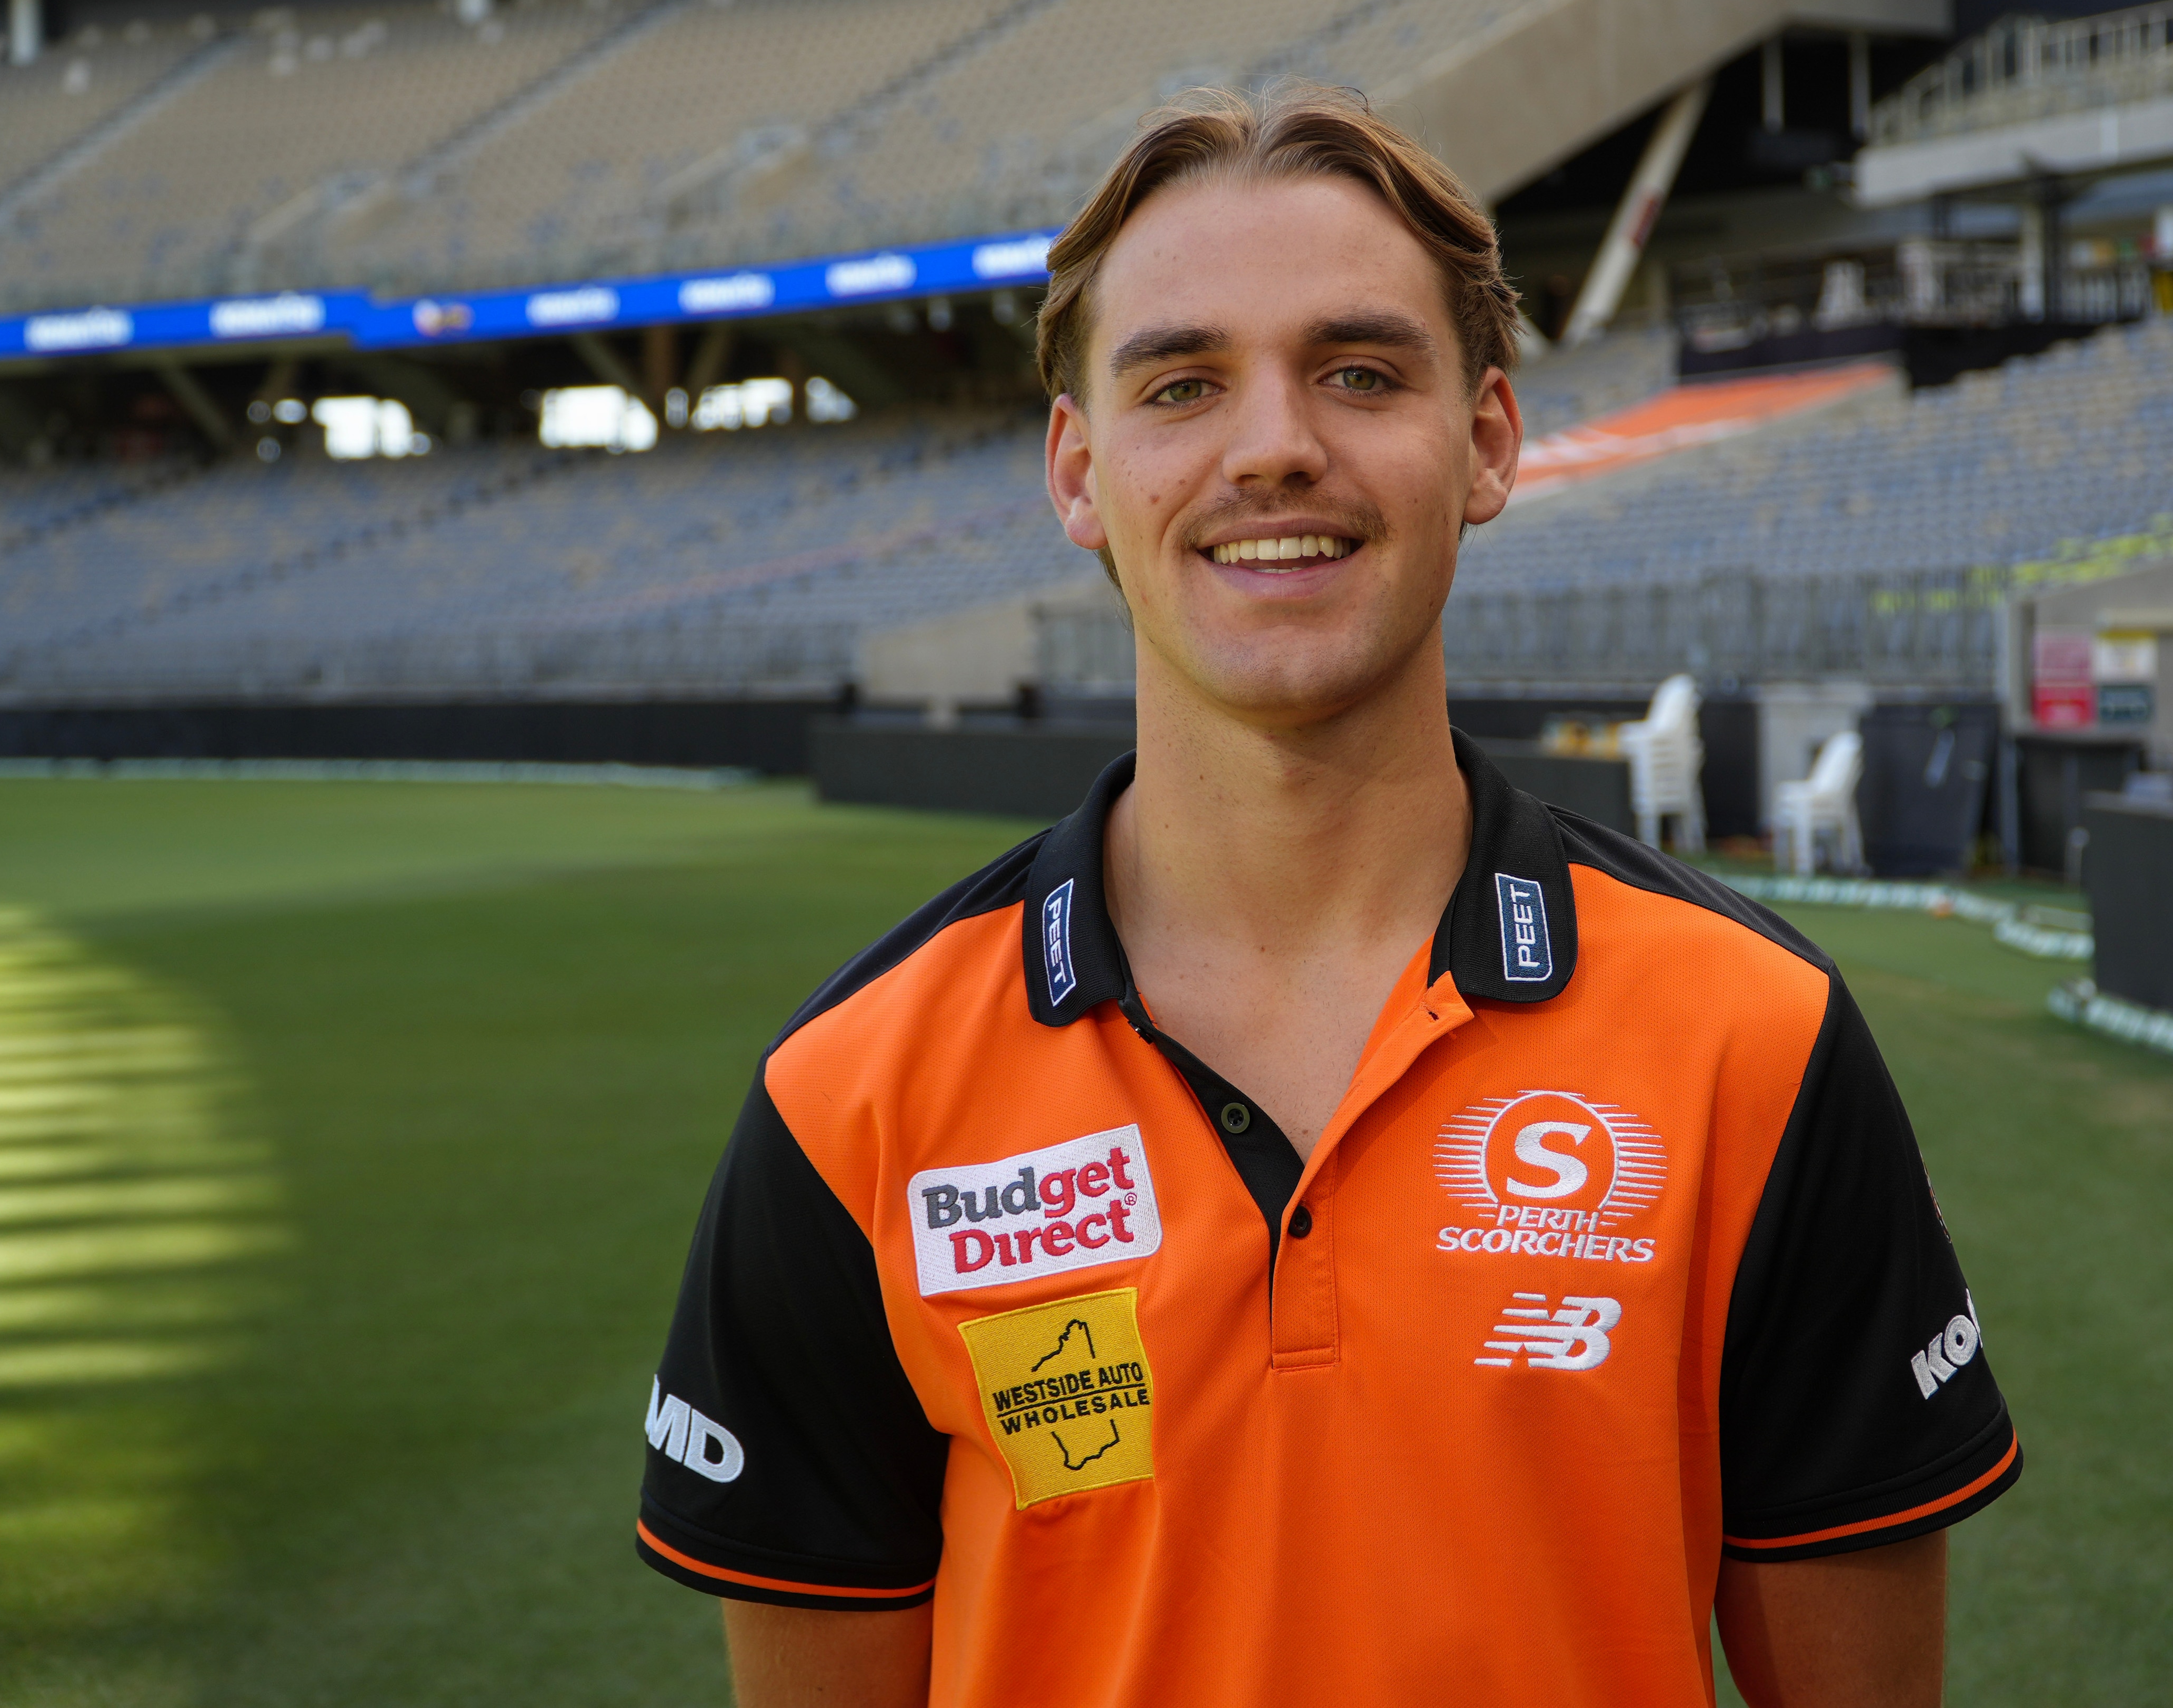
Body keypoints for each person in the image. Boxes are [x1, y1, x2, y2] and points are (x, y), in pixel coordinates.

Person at [636, 83, 2018, 1707]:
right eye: (1184, 383)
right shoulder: (852, 1096)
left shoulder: (1754, 1043)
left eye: (1360, 374)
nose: (1276, 444)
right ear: (1080, 473)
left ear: (1488, 441)